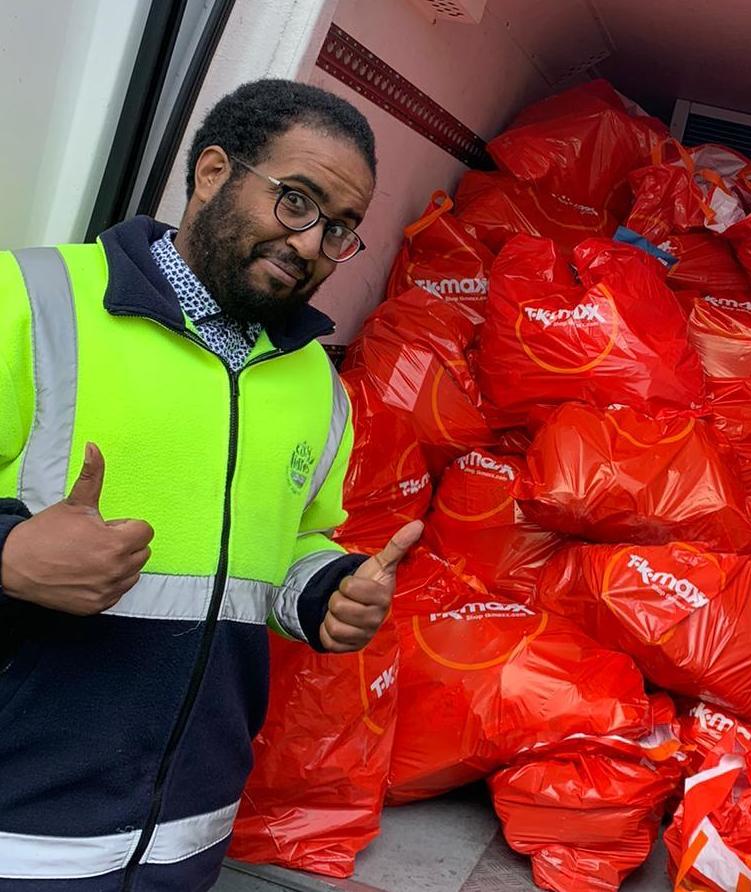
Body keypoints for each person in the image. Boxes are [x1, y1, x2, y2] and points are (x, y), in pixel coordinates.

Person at [0, 79, 420, 890]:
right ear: (213, 172)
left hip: (186, 837)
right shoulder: (33, 299)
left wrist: (329, 591)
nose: (311, 245)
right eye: (296, 202)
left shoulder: (318, 386)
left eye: (340, 230)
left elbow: (289, 541)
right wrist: (10, 553)